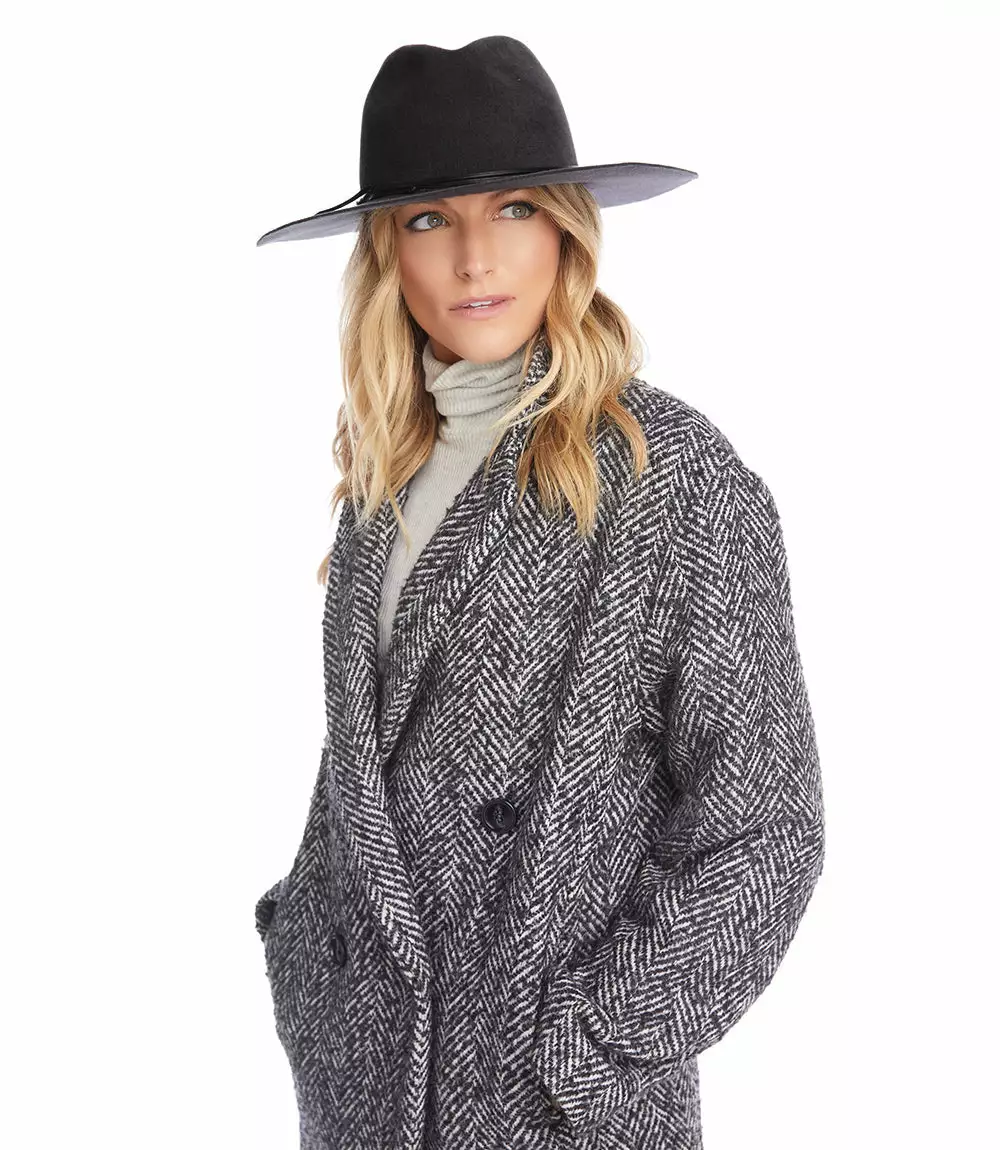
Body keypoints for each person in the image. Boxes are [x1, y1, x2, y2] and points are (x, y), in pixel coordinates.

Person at [254, 35, 826, 1150]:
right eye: (430, 220)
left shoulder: (671, 476)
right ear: (387, 253)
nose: (476, 259)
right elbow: (373, 778)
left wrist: (594, 1034)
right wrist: (306, 945)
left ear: (565, 230)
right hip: (367, 1086)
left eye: (512, 209)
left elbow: (765, 826)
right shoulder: (384, 473)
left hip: (551, 1103)